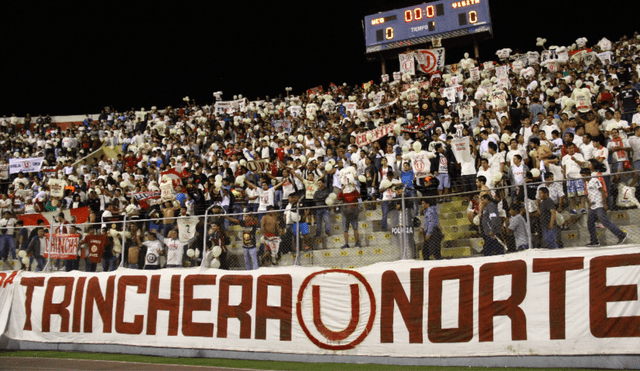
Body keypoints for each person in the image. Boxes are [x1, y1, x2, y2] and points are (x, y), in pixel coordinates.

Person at [583, 162, 627, 247]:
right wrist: (589, 204)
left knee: (605, 222)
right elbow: (591, 194)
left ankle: (621, 235)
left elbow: (602, 191)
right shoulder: (587, 183)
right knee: (590, 222)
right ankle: (594, 241)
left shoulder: (595, 180)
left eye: (583, 175)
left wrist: (605, 203)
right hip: (593, 206)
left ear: (588, 174)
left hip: (599, 204)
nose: (582, 178)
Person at [336, 185, 361, 249]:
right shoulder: (344, 193)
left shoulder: (353, 192)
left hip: (352, 213)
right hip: (346, 213)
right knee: (347, 229)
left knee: (354, 229)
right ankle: (349, 244)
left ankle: (355, 243)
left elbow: (359, 196)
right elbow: (338, 198)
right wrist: (342, 190)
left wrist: (354, 189)